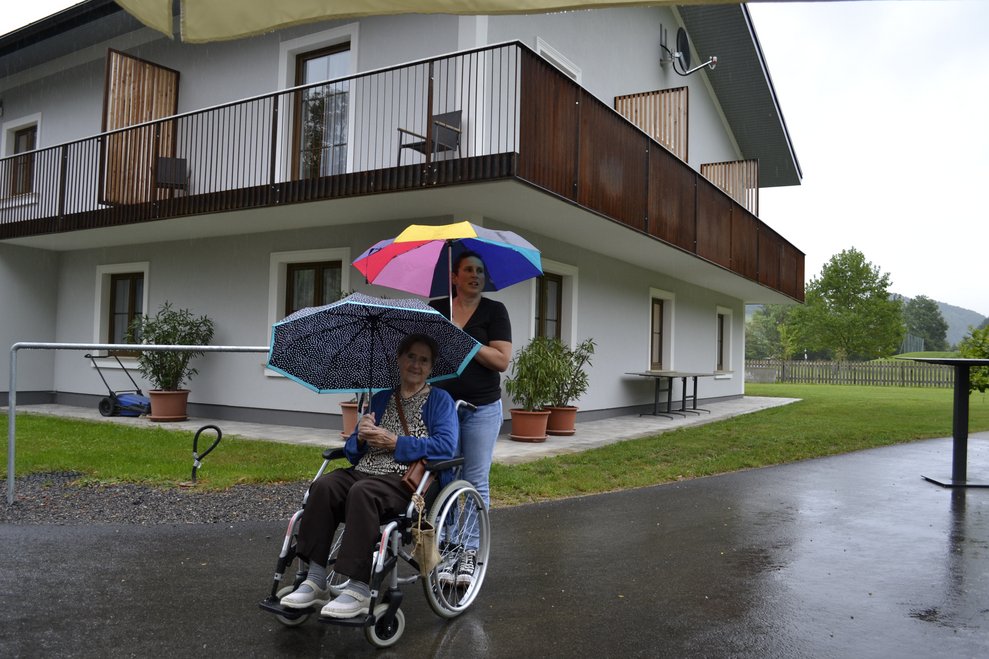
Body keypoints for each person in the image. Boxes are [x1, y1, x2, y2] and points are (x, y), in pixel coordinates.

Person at [279, 333, 458, 618]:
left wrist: (396, 443)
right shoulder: (383, 397)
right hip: (365, 470)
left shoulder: (440, 400)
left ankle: (360, 588)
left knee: (362, 493)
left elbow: (446, 446)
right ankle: (315, 580)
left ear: (431, 367)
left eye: (424, 360)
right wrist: (360, 436)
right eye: (411, 356)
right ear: (399, 360)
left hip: (405, 481)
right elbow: (351, 451)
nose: (416, 364)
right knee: (324, 487)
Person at [429, 250, 512, 586]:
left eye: (479, 271)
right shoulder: (436, 308)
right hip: (442, 409)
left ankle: (469, 554)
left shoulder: (494, 311)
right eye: (468, 270)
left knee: (475, 482)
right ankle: (448, 550)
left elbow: (501, 360)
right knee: (444, 479)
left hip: (481, 409)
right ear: (454, 276)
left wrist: (464, 340)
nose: (475, 275)